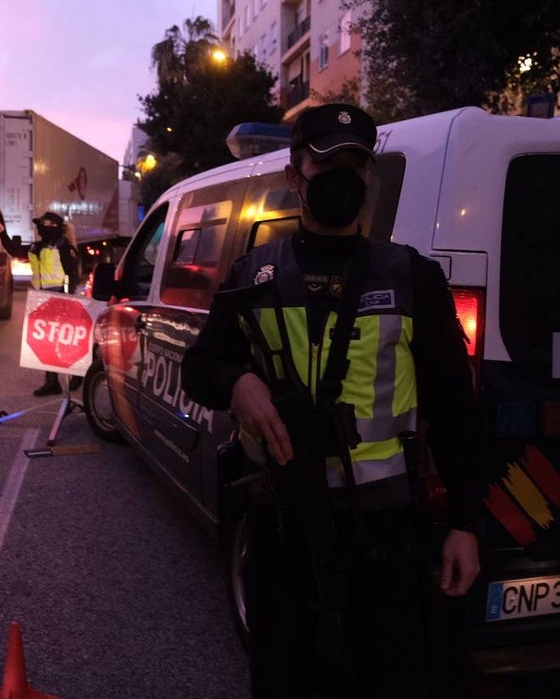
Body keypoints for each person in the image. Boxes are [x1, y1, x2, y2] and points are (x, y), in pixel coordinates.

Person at [180, 103, 483, 698]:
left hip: (386, 537)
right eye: (326, 164)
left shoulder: (413, 278)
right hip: (281, 529)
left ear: (368, 176)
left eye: (355, 165)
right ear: (295, 176)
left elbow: (455, 409)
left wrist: (466, 524)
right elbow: (200, 366)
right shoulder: (253, 275)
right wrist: (237, 384)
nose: (343, 178)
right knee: (284, 681)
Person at [0, 211, 81, 396]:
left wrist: (68, 298)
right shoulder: (36, 247)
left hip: (60, 297)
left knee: (65, 340)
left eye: (44, 223)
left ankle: (77, 373)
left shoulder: (63, 246)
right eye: (39, 224)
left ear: (54, 226)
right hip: (42, 299)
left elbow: (73, 274)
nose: (40, 227)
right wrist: (2, 233)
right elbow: (15, 251)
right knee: (47, 343)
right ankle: (52, 382)